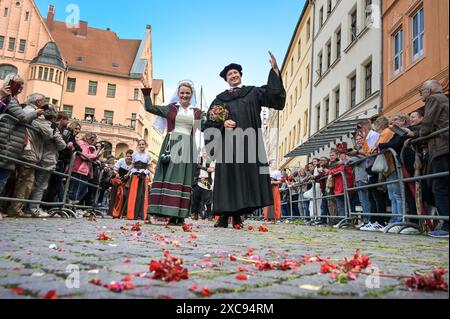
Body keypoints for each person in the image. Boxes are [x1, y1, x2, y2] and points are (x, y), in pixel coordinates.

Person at [203, 52, 286, 228]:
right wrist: (223, 123)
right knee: (228, 180)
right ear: (226, 79)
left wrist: (275, 71)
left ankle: (238, 216)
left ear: (240, 75)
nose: (233, 75)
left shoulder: (253, 92)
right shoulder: (220, 99)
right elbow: (209, 122)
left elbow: (274, 95)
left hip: (249, 144)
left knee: (244, 181)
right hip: (228, 145)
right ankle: (225, 216)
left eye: (236, 73)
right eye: (230, 74)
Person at [143, 81, 202, 226]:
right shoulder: (171, 109)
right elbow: (149, 107)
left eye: (187, 93)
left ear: (191, 94)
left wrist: (220, 117)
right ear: (178, 94)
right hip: (172, 143)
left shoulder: (197, 112)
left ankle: (180, 215)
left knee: (184, 179)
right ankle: (165, 211)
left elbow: (207, 125)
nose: (184, 95)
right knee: (169, 176)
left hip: (188, 145)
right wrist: (146, 93)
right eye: (182, 92)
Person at [7, 94, 53, 218]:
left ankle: (10, 207)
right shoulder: (34, 113)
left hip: (22, 149)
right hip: (28, 152)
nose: (46, 103)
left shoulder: (25, 110)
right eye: (44, 101)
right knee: (26, 181)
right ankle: (15, 209)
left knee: (16, 180)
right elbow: (49, 133)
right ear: (38, 102)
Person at [0, 75, 43, 200]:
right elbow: (23, 118)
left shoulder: (13, 99)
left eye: (22, 86)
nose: (20, 88)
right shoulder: (10, 99)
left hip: (11, 143)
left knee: (4, 177)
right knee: (2, 178)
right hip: (6, 141)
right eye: (18, 85)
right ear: (9, 83)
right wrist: (36, 113)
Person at [419, 80, 449, 238]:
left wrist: (416, 134)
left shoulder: (434, 99)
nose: (421, 95)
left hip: (442, 148)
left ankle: (446, 225)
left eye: (421, 91)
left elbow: (427, 125)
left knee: (440, 186)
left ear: (429, 91)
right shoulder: (445, 99)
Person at [124, 140, 151, 221]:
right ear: (138, 145)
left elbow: (148, 167)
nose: (141, 146)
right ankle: (132, 214)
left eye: (143, 144)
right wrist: (128, 173)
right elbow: (132, 164)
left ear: (145, 145)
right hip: (135, 175)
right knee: (133, 194)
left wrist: (153, 175)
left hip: (143, 176)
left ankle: (140, 214)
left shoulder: (148, 155)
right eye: (140, 144)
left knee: (142, 195)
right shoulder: (134, 154)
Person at [69, 132, 98, 203]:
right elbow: (83, 155)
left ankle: (72, 205)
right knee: (76, 190)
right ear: (89, 138)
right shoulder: (82, 143)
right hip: (79, 169)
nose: (93, 142)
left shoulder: (88, 145)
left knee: (84, 190)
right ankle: (70, 206)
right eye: (93, 140)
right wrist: (94, 155)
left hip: (84, 170)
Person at [191, 149, 215, 221]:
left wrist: (201, 167)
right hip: (198, 180)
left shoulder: (211, 160)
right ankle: (195, 214)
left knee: (208, 200)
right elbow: (195, 165)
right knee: (196, 199)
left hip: (206, 181)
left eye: (206, 150)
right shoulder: (199, 158)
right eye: (203, 150)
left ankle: (209, 215)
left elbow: (211, 170)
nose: (204, 152)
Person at [110, 150, 133, 218]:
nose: (128, 157)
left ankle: (121, 213)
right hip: (118, 180)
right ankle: (113, 212)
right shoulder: (121, 161)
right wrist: (116, 174)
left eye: (130, 156)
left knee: (124, 195)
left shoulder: (133, 164)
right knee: (115, 195)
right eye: (127, 156)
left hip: (126, 182)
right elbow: (114, 169)